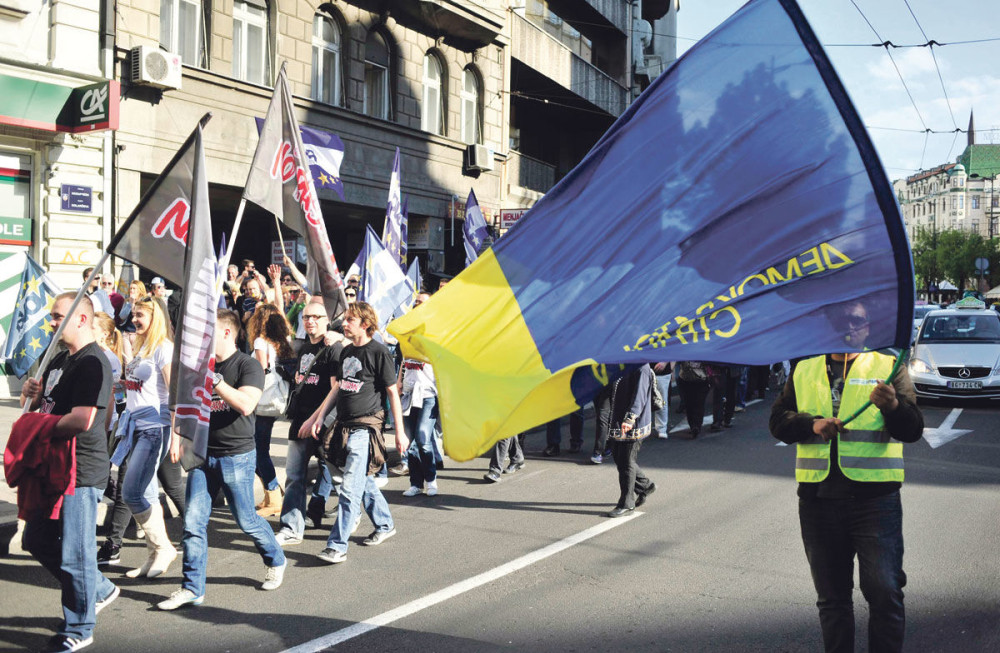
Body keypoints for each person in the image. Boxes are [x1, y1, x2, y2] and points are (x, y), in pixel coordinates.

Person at [769, 300, 924, 653]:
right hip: (818, 502)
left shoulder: (887, 368)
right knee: (833, 599)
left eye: (857, 320)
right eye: (842, 320)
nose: (849, 327)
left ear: (869, 327)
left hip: (875, 502)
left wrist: (894, 407)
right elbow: (777, 422)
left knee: (885, 592)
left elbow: (913, 429)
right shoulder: (805, 369)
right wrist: (811, 424)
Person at [158, 309, 286, 610]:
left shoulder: (248, 365)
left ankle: (276, 559)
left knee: (246, 519)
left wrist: (215, 382)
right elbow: (183, 403)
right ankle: (191, 588)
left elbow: (246, 404)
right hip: (202, 455)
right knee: (192, 521)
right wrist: (177, 438)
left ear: (227, 333)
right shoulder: (200, 365)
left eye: (207, 333)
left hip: (236, 456)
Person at [19, 292, 119, 652]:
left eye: (58, 316)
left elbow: (82, 419)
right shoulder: (61, 358)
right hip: (53, 465)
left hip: (80, 468)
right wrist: (30, 394)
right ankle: (101, 589)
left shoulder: (94, 363)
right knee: (36, 540)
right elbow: (37, 404)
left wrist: (35, 427)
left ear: (81, 319)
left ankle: (79, 626)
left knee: (76, 553)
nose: (51, 322)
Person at [315, 301, 408, 564]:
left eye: (350, 320)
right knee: (362, 482)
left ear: (365, 324)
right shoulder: (345, 353)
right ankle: (385, 524)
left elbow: (392, 392)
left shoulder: (379, 352)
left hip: (365, 430)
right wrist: (320, 417)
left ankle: (337, 546)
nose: (343, 324)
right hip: (342, 428)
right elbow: (338, 388)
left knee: (349, 489)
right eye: (344, 320)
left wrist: (399, 434)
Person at [110, 295, 177, 579]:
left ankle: (164, 548)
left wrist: (176, 436)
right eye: (134, 314)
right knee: (147, 493)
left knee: (131, 492)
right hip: (135, 427)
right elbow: (141, 386)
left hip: (155, 429)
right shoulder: (140, 346)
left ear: (156, 318)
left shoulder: (164, 348)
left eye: (141, 315)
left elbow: (174, 396)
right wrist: (123, 385)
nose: (134, 319)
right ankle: (153, 555)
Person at [274, 300, 341, 544]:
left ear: (327, 320)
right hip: (301, 421)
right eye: (306, 317)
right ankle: (291, 528)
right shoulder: (303, 348)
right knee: (294, 477)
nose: (310, 321)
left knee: (341, 478)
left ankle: (366, 517)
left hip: (325, 425)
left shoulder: (334, 347)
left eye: (316, 317)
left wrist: (318, 419)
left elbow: (336, 389)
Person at [246, 304, 295, 517]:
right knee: (260, 450)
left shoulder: (260, 341)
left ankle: (274, 494)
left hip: (261, 402)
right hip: (275, 402)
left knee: (258, 451)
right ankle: (271, 495)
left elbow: (261, 370)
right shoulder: (282, 343)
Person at [399, 292, 440, 497]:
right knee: (410, 442)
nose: (417, 305)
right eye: (415, 303)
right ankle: (416, 483)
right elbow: (404, 361)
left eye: (421, 302)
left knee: (423, 438)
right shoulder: (408, 333)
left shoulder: (437, 333)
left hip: (428, 395)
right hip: (408, 394)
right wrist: (399, 381)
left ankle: (431, 480)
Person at [606, 365, 656, 517]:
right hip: (617, 418)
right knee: (618, 456)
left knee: (626, 461)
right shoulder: (624, 364)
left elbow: (639, 396)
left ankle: (626, 503)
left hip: (633, 423)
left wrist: (630, 418)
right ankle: (645, 486)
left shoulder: (642, 368)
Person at [674, 361, 710, 437]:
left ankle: (697, 426)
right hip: (686, 379)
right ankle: (692, 425)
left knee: (699, 403)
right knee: (688, 404)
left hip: (702, 379)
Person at [652, 362, 672, 438]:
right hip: (644, 369)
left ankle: (662, 428)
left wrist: (664, 362)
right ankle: (641, 427)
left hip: (662, 372)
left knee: (662, 400)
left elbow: (671, 350)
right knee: (641, 400)